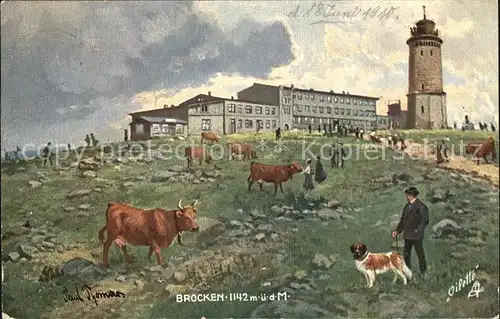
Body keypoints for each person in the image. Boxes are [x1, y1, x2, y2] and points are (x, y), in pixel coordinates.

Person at [391, 187, 429, 276]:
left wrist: (418, 230)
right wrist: (397, 231)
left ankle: (424, 273)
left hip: (416, 236)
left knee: (420, 255)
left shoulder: (421, 206)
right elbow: (403, 220)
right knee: (406, 255)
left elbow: (425, 220)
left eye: (408, 195)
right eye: (407, 195)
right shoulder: (407, 206)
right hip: (407, 235)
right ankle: (408, 273)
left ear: (412, 196)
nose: (406, 197)